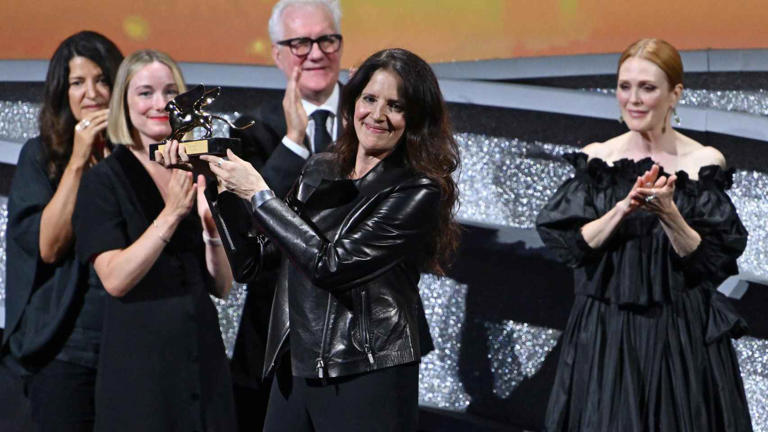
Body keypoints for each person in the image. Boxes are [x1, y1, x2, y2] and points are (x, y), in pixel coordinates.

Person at [197, 47, 459, 431]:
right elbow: (253, 261)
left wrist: (259, 194)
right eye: (369, 99)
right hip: (296, 364)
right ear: (353, 103)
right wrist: (219, 191)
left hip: (365, 369)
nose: (377, 115)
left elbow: (331, 265)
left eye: (395, 106)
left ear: (415, 119)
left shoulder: (417, 190)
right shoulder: (320, 167)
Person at [536, 38, 752, 431]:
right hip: (605, 331)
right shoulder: (598, 158)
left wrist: (669, 213)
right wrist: (622, 208)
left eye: (647, 88)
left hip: (678, 333)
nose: (633, 99)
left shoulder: (701, 162)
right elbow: (572, 245)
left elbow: (710, 261)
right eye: (625, 86)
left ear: (675, 94)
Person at [72, 49, 236, 431]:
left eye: (170, 92)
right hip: (140, 373)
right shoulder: (104, 180)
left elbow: (223, 286)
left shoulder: (200, 170)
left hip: (202, 364)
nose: (160, 104)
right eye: (145, 93)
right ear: (124, 102)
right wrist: (172, 213)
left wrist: (212, 230)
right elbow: (115, 279)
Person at [228, 1, 344, 428]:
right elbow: (249, 228)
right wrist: (294, 142)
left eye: (326, 39)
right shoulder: (251, 130)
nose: (316, 54)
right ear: (278, 55)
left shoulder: (373, 117)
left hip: (359, 334)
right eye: (300, 43)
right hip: (277, 336)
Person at [1, 31, 122, 431]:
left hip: (129, 347)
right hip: (64, 349)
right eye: (78, 82)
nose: (92, 93)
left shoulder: (135, 155)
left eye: (102, 80)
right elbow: (49, 246)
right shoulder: (40, 156)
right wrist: (79, 158)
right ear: (62, 92)